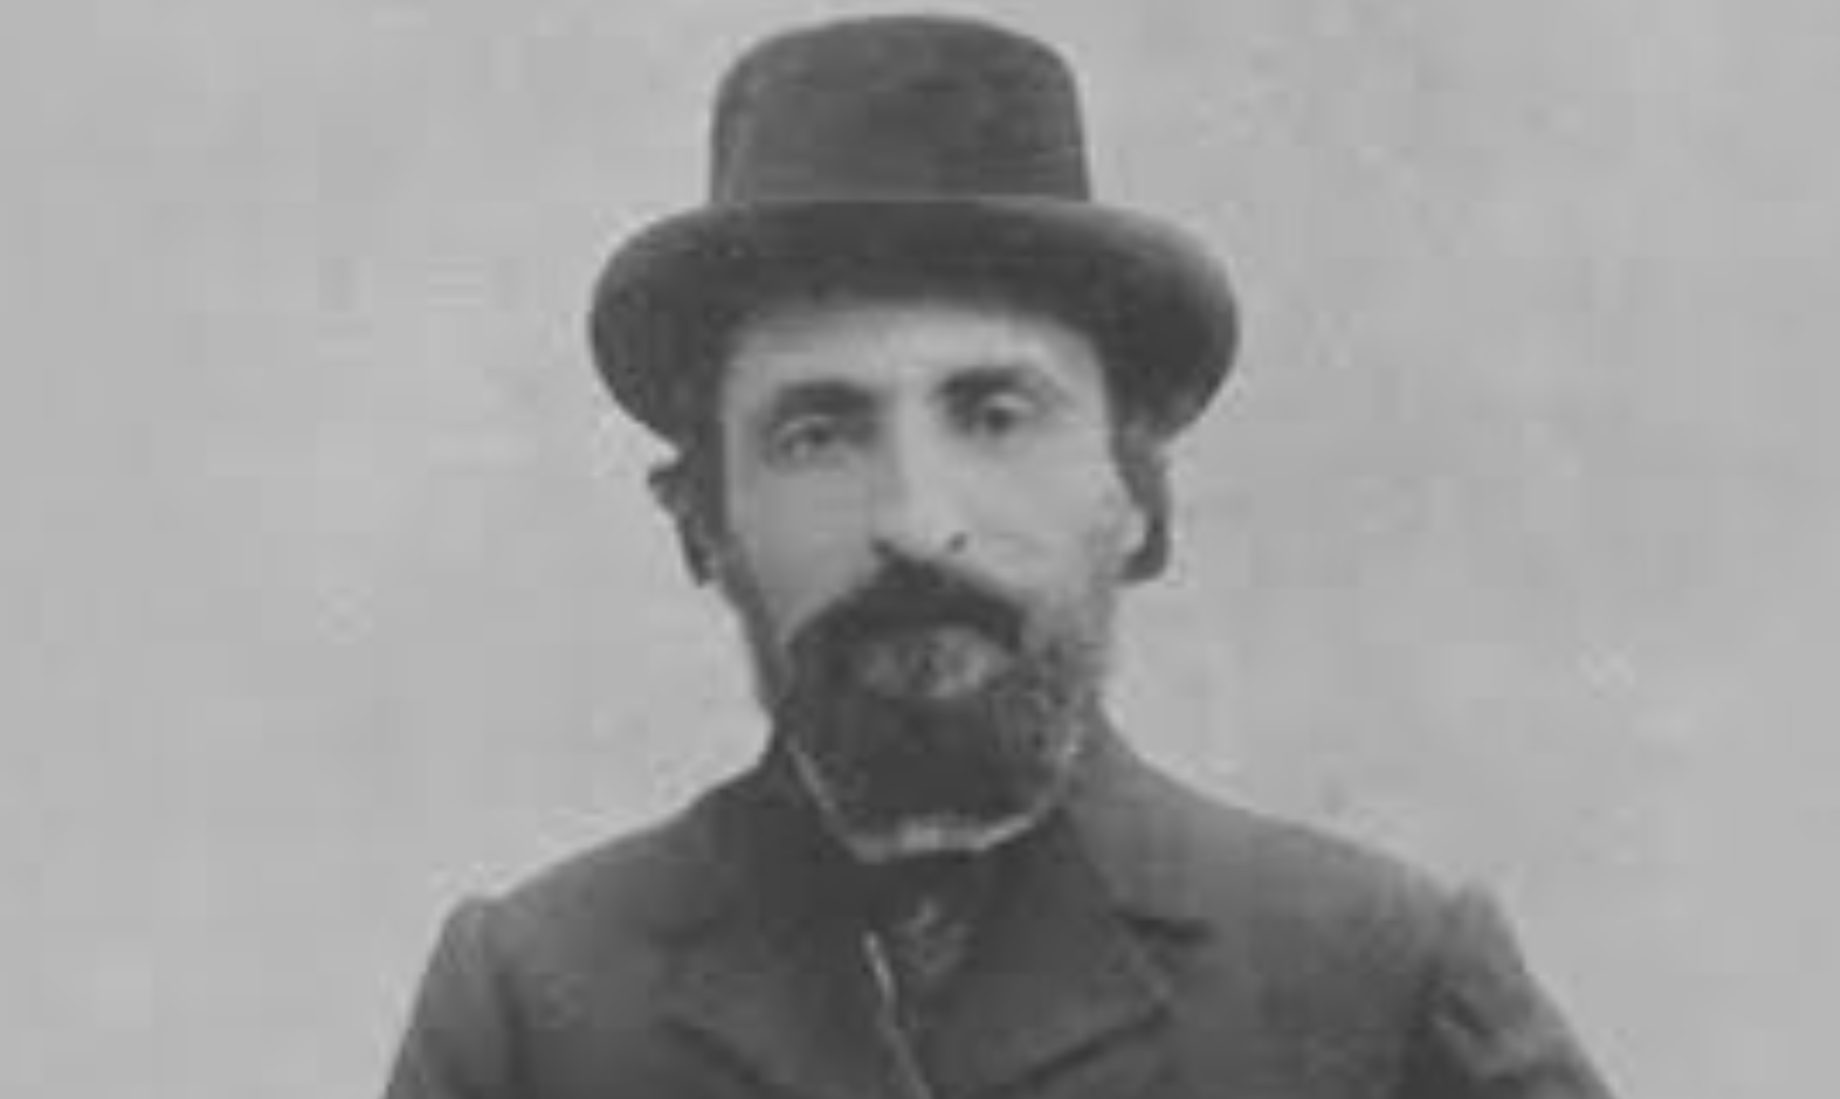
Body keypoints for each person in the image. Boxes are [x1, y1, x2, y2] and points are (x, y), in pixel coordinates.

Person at [382, 15, 1614, 1099]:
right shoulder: (535, 1003)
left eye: (995, 415)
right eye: (819, 433)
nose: (919, 520)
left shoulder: (1378, 975)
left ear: (1134, 494)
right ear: (704, 519)